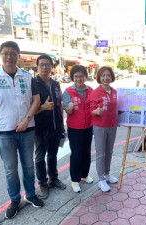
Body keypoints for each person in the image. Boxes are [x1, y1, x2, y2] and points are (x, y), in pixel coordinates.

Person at [0, 41, 44, 219]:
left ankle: (30, 194)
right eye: (6, 53)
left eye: (13, 53)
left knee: (28, 165)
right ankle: (15, 200)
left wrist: (26, 120)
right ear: (1, 55)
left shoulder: (27, 76)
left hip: (27, 129)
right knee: (10, 169)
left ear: (18, 55)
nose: (9, 56)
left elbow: (36, 100)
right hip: (3, 132)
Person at [34, 54, 66, 199]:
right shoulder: (33, 84)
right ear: (37, 66)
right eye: (42, 64)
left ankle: (53, 178)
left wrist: (62, 124)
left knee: (52, 155)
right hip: (40, 129)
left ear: (52, 67)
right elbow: (29, 108)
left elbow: (59, 105)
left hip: (55, 128)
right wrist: (43, 107)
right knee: (40, 157)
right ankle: (42, 183)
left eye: (48, 64)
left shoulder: (56, 84)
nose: (45, 67)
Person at [63, 65, 94, 193]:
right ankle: (75, 180)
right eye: (76, 76)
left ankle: (84, 175)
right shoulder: (68, 91)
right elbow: (66, 108)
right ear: (72, 78)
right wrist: (68, 108)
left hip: (88, 127)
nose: (79, 79)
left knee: (86, 152)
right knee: (76, 154)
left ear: (85, 77)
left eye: (81, 76)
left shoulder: (91, 90)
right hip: (74, 128)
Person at [90, 66, 118, 192]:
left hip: (112, 125)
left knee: (109, 151)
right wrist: (96, 111)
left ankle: (107, 174)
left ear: (112, 77)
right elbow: (91, 110)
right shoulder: (96, 92)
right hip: (100, 126)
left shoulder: (115, 92)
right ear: (99, 78)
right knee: (101, 154)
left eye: (108, 75)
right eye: (103, 76)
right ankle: (101, 179)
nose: (106, 78)